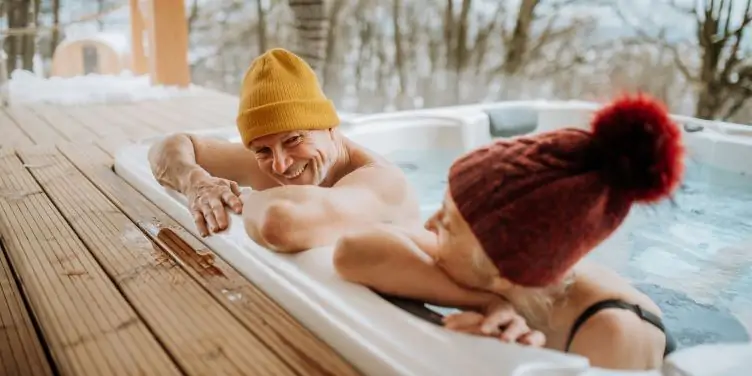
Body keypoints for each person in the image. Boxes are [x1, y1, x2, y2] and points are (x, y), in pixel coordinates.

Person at [333, 94, 683, 370]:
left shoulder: (610, 334)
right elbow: (353, 251)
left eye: (448, 223)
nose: (429, 225)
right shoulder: (488, 265)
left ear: (502, 271)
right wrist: (488, 303)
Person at [148, 48, 420, 252]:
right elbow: (167, 146)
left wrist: (238, 198)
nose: (279, 165)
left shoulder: (381, 182)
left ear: (329, 127)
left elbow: (280, 224)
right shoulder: (279, 161)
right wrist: (196, 182)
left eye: (293, 140)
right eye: (263, 150)